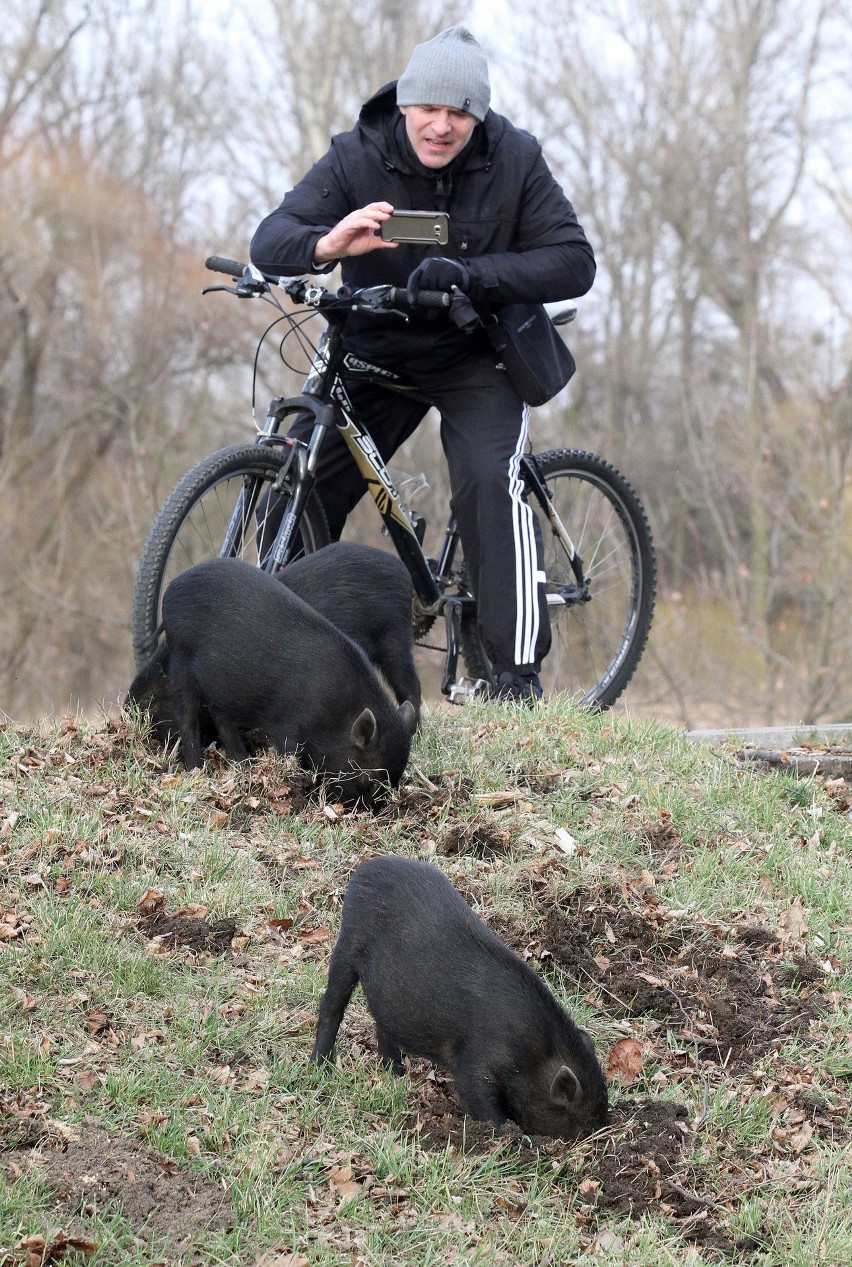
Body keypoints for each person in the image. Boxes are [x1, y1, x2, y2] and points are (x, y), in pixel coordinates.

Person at [250, 25, 595, 702]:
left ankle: (514, 676)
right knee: (303, 486)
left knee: (485, 484)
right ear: (404, 104)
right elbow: (272, 238)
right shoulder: (357, 156)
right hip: (375, 347)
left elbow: (574, 260)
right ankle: (272, 662)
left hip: (476, 351)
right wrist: (327, 243)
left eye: (460, 112)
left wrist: (471, 274)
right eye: (429, 109)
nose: (442, 126)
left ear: (479, 115)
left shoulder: (517, 159)